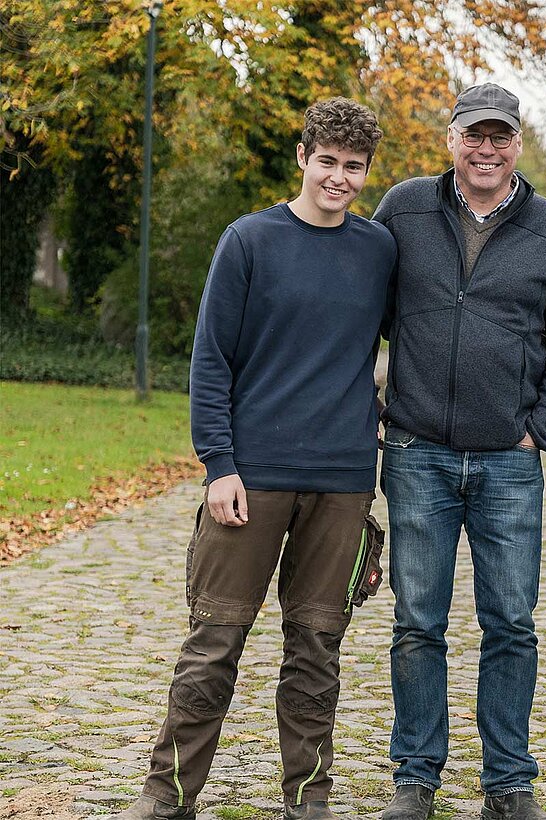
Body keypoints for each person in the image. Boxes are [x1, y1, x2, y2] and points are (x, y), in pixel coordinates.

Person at [111, 97, 396, 820]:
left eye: (353, 167)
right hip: (252, 475)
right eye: (326, 161)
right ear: (302, 158)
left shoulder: (377, 251)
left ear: (367, 171)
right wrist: (219, 465)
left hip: (340, 481)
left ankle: (309, 801)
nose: (338, 177)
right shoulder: (248, 241)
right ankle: (166, 798)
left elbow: (413, 339)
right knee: (213, 644)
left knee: (316, 652)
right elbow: (211, 362)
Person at [372, 82, 546, 820]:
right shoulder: (403, 209)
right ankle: (416, 776)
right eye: (474, 135)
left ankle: (508, 780)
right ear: (451, 140)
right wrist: (368, 403)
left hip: (508, 459)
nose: (487, 149)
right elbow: (361, 308)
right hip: (416, 450)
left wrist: (541, 425)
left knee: (511, 623)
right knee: (417, 621)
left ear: (518, 146)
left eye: (500, 137)